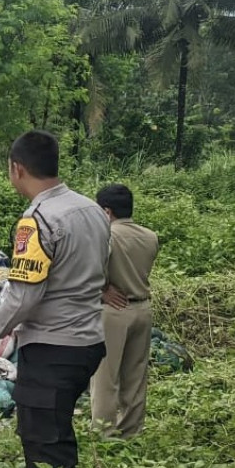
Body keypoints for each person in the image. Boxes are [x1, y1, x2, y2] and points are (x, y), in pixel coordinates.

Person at [0, 130, 109, 468]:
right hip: (89, 340)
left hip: (52, 346)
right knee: (58, 428)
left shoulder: (38, 219)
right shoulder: (92, 209)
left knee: (42, 437)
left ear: (16, 169)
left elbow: (25, 293)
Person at [91, 184, 159, 439]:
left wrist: (104, 290)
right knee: (136, 374)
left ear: (106, 211)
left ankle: (104, 434)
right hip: (142, 308)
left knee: (106, 377)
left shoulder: (107, 236)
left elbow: (89, 271)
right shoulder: (150, 236)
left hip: (113, 311)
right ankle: (132, 431)